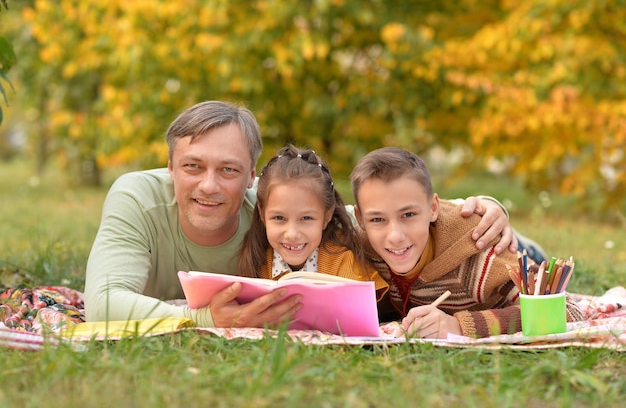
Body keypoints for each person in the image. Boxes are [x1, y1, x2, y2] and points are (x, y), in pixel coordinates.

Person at [84, 100, 518, 328]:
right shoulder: (137, 198)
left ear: (252, 176)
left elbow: (376, 217)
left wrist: (485, 207)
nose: (210, 185)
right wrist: (201, 319)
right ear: (170, 167)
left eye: (229, 170)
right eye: (193, 166)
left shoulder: (272, 211)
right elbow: (101, 306)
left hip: (476, 247)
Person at [350, 147, 585, 338]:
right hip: (446, 219)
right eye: (378, 219)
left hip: (510, 246)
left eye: (408, 215)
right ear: (360, 219)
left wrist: (459, 326)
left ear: (433, 208)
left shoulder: (480, 254)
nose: (395, 235)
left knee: (514, 246)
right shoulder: (357, 248)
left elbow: (566, 311)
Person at [238, 145, 388, 299]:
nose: (292, 234)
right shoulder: (258, 262)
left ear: (326, 217)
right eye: (279, 218)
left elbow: (364, 308)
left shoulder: (343, 261)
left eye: (306, 218)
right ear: (262, 215)